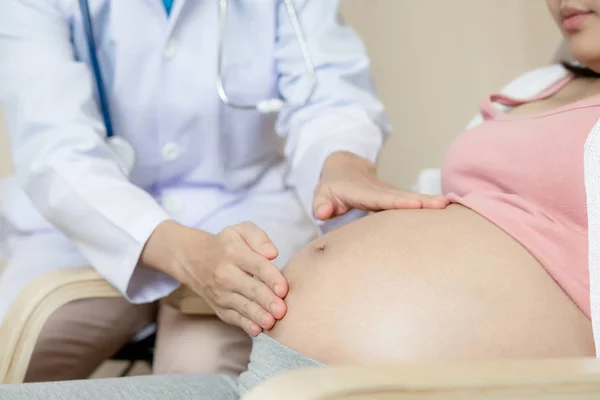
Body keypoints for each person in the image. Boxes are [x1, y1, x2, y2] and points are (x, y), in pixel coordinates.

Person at [2, 0, 600, 397]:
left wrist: (341, 161)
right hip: (81, 220)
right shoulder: (532, 93)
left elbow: (326, 90)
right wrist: (182, 252)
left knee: (205, 352)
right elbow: (54, 148)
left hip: (248, 223)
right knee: (25, 346)